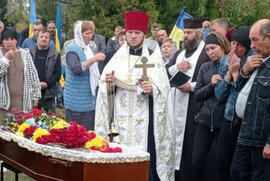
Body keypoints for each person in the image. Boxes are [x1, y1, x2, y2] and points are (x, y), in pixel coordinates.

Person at [95, 11, 175, 181]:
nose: (132, 37)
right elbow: (104, 89)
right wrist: (110, 83)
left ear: (144, 35)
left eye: (137, 33)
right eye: (130, 33)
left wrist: (153, 89)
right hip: (120, 121)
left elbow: (164, 88)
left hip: (144, 121)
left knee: (146, 160)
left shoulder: (153, 58)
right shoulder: (116, 60)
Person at [166, 18, 211, 181]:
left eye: (190, 33)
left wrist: (191, 86)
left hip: (195, 105)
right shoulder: (179, 53)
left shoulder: (207, 53)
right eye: (185, 32)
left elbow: (211, 79)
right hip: (176, 103)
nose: (186, 36)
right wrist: (176, 67)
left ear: (199, 34)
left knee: (190, 145)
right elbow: (166, 72)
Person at [230, 19, 270, 181]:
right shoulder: (258, 59)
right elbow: (239, 89)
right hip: (246, 132)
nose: (251, 45)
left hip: (262, 138)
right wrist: (244, 71)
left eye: (255, 40)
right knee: (236, 173)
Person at [214, 26, 255, 181]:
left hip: (246, 121)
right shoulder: (227, 59)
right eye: (232, 43)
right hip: (229, 117)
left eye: (239, 45)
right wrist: (229, 76)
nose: (234, 48)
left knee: (239, 168)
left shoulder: (254, 60)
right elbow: (219, 94)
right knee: (221, 161)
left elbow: (246, 95)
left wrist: (237, 73)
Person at [192, 32, 230, 181]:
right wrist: (211, 85)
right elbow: (197, 95)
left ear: (223, 46)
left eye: (213, 48)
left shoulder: (231, 64)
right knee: (197, 161)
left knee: (222, 163)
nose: (210, 52)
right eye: (207, 49)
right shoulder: (205, 67)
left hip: (223, 122)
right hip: (204, 120)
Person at [64, 21, 106, 131]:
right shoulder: (72, 49)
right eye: (87, 33)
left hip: (89, 98)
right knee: (74, 135)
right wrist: (94, 59)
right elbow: (76, 69)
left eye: (91, 33)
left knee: (88, 134)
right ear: (79, 33)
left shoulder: (89, 48)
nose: (90, 36)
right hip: (75, 99)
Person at [0, 28, 41, 122]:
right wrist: (6, 59)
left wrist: (36, 95)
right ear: (2, 41)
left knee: (19, 130)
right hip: (3, 104)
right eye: (6, 39)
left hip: (22, 100)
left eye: (12, 39)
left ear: (16, 40)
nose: (9, 42)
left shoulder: (25, 54)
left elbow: (33, 75)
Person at [30, 29, 61, 112]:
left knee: (49, 121)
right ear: (37, 38)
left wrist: (47, 84)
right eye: (41, 36)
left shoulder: (55, 55)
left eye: (46, 37)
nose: (44, 39)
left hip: (48, 95)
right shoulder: (29, 53)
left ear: (50, 40)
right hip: (31, 94)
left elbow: (57, 74)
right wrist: (36, 85)